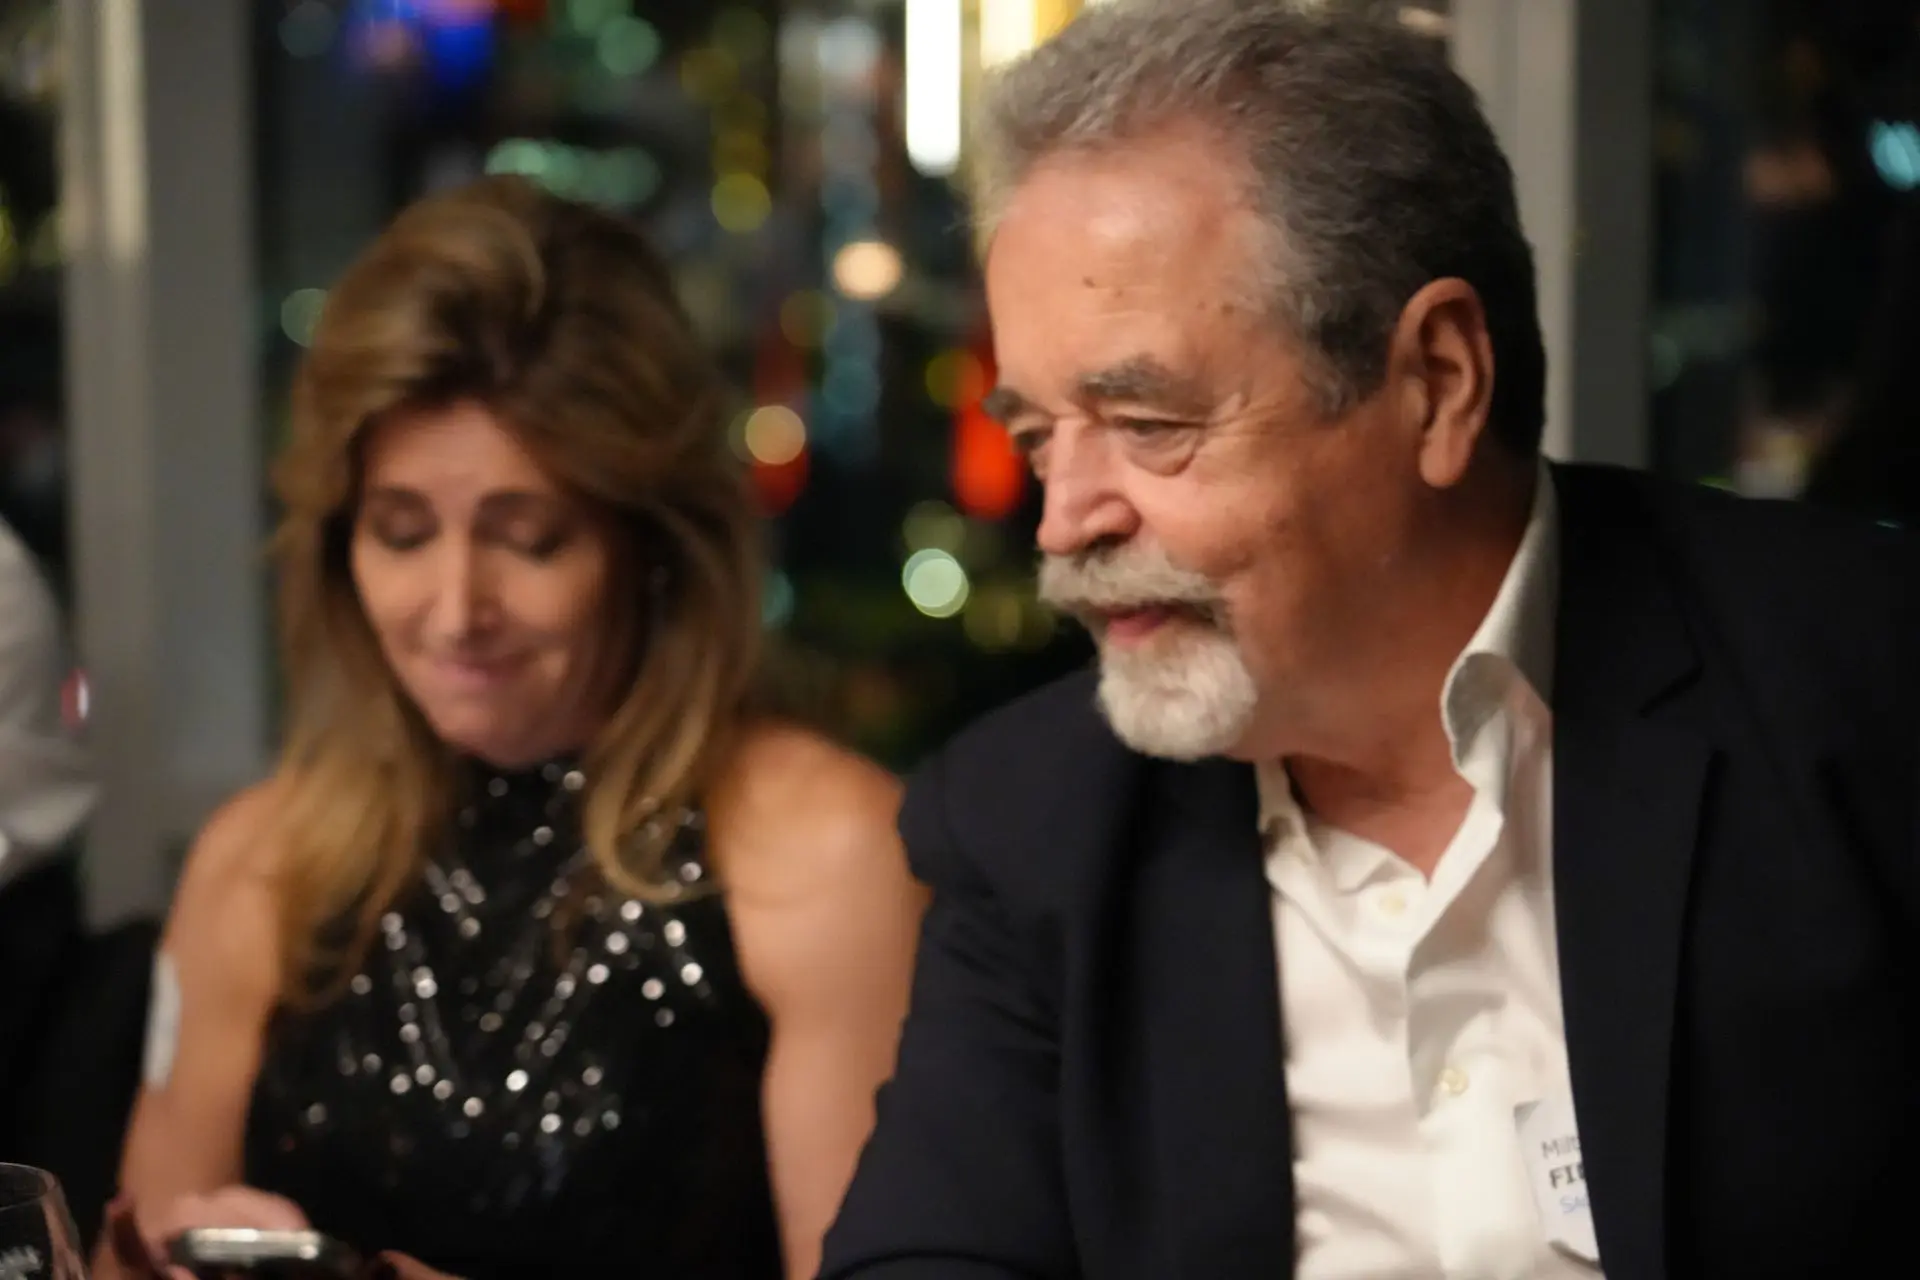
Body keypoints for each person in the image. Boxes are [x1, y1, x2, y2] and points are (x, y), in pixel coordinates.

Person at [820, 4, 1920, 1279]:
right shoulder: (1032, 825)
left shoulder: (1863, 678)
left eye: (1148, 423)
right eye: (1035, 436)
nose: (1065, 520)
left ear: (1438, 382)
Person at [98, 175, 925, 1280]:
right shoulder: (259, 863)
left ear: (649, 542)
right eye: (400, 533)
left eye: (529, 538)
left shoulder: (825, 853)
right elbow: (127, 1256)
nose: (454, 611)